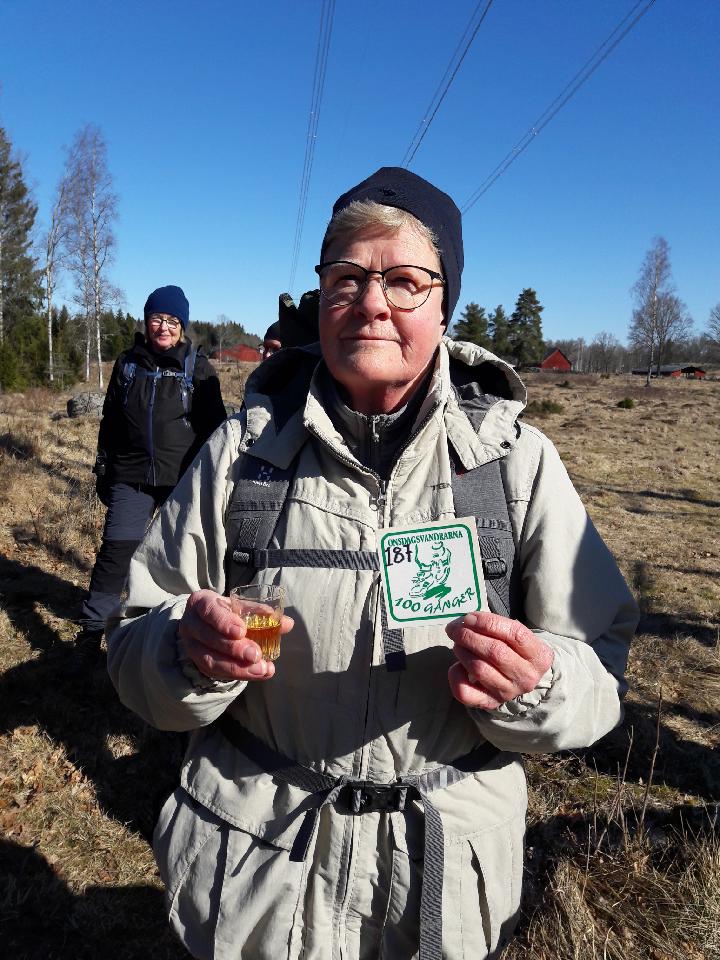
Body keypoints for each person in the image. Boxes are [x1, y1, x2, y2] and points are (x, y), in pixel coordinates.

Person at [107, 170, 638, 960]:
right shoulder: (238, 458)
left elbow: (601, 669)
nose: (371, 302)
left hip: (440, 889)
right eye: (346, 278)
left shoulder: (516, 467)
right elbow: (129, 647)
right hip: (256, 879)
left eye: (405, 280)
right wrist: (183, 649)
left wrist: (541, 684)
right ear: (320, 297)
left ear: (444, 305)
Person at [76, 285, 226, 649]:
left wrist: (213, 481)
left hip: (182, 479)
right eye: (157, 318)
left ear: (182, 326)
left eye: (172, 320)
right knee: (116, 551)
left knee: (179, 557)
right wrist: (103, 467)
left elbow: (217, 430)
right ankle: (93, 629)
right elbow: (111, 422)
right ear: (146, 322)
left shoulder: (197, 367)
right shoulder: (127, 365)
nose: (164, 327)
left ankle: (175, 631)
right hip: (131, 475)